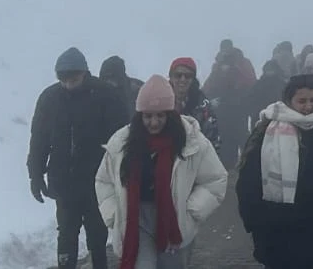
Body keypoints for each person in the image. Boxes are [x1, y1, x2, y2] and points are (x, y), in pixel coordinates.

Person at [96, 76, 228, 269]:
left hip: (174, 220)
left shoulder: (191, 142)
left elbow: (215, 180)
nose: (154, 122)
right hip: (137, 220)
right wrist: (114, 215)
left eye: (160, 116)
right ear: (139, 115)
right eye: (148, 116)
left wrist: (191, 211)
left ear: (170, 114)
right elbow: (103, 181)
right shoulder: (122, 143)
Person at [237, 74, 313, 269]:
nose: (309, 106)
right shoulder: (267, 129)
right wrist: (253, 220)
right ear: (289, 101)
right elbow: (248, 178)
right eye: (302, 101)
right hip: (273, 228)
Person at [31, 47, 129, 269]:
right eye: (63, 79)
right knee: (66, 232)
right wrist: (35, 175)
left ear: (84, 73)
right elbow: (39, 140)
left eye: (73, 78)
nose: (68, 83)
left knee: (97, 231)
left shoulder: (105, 95)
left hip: (98, 179)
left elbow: (121, 140)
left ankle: (100, 264)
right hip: (64, 181)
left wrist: (122, 175)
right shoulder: (49, 99)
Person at [205, 44, 257, 168]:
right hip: (224, 109)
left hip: (238, 108)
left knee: (240, 137)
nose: (225, 51)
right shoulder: (218, 66)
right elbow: (209, 86)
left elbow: (251, 83)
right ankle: (229, 168)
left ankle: (248, 165)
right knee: (226, 138)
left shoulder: (241, 63)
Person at [167, 58, 220, 152]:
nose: (183, 79)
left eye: (188, 76)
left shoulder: (203, 106)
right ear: (171, 77)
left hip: (196, 156)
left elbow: (212, 140)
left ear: (193, 79)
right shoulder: (159, 101)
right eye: (178, 75)